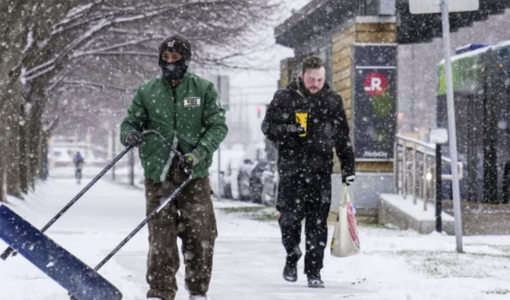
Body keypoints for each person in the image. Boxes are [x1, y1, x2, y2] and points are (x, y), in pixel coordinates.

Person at [119, 34, 228, 300]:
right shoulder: (148, 91)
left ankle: (198, 290)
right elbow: (130, 123)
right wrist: (130, 134)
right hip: (159, 174)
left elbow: (218, 126)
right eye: (165, 58)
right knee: (161, 238)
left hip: (193, 175)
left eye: (175, 58)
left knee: (201, 235)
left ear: (186, 60)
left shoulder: (202, 89)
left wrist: (197, 154)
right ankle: (160, 291)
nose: (169, 63)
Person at [262, 55, 355, 288]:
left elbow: (342, 137)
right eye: (311, 79)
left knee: (317, 224)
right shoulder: (284, 97)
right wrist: (289, 129)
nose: (315, 84)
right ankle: (292, 255)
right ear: (302, 75)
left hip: (320, 171)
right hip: (291, 171)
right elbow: (268, 127)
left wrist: (348, 166)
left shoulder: (332, 101)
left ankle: (314, 272)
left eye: (320, 79)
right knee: (289, 220)